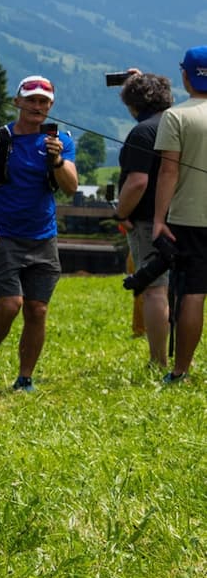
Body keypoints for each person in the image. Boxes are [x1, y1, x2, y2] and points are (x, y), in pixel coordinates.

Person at [0, 74, 76, 394]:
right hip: (3, 235)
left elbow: (70, 187)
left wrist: (57, 159)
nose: (36, 106)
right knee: (10, 304)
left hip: (43, 236)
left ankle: (25, 378)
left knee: (38, 309)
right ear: (16, 101)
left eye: (43, 102)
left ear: (51, 106)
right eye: (30, 100)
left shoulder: (61, 140)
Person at [150, 46, 207, 385]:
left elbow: (168, 171)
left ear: (185, 76)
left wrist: (159, 219)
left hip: (189, 218)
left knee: (193, 294)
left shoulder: (175, 116)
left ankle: (181, 370)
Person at [115, 72, 177, 375]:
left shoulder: (143, 131)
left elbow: (138, 182)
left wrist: (120, 212)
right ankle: (182, 359)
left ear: (132, 103)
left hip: (149, 222)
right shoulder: (179, 124)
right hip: (184, 216)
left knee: (154, 289)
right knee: (185, 290)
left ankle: (158, 361)